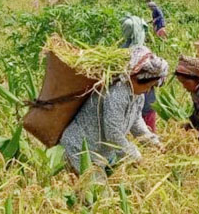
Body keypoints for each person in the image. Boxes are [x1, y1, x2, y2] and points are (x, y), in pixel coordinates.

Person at [60, 46, 168, 179]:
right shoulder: (117, 93)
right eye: (148, 85)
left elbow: (136, 121)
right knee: (98, 196)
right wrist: (134, 155)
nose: (148, 90)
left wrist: (153, 142)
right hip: (80, 149)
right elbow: (113, 133)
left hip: (100, 154)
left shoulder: (138, 95)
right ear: (135, 78)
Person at [120, 14, 158, 132]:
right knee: (146, 133)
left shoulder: (120, 51)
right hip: (144, 102)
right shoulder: (145, 54)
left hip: (126, 105)